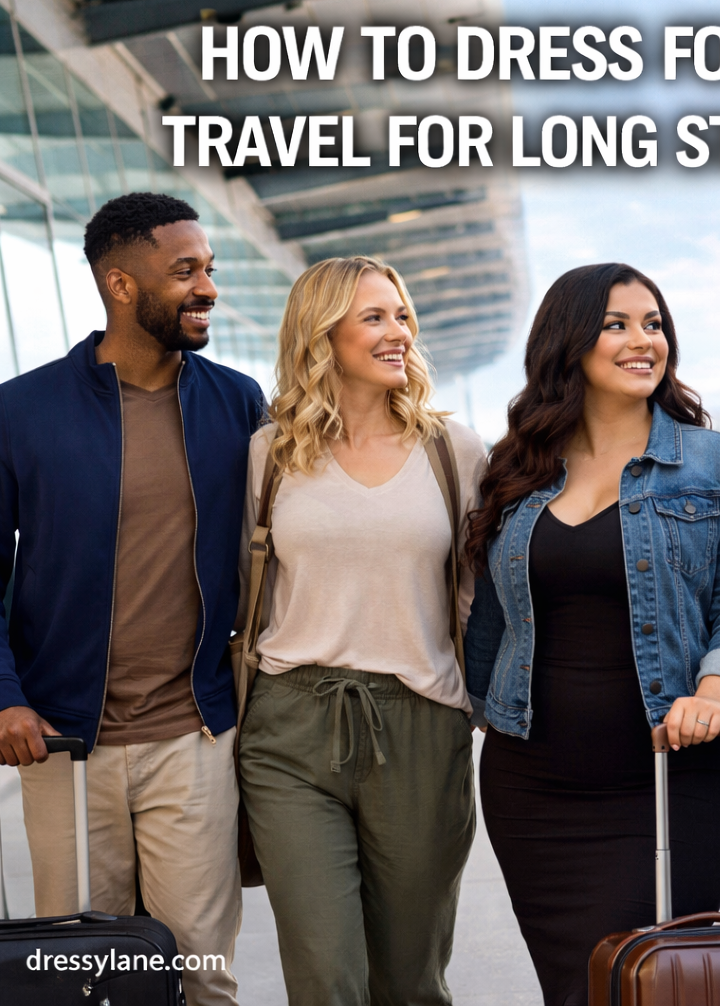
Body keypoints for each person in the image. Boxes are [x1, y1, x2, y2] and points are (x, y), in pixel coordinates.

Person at [463, 263, 720, 1006]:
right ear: (568, 343)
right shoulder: (518, 467)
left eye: (653, 324)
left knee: (643, 985)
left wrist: (715, 690)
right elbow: (491, 619)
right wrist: (475, 710)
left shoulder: (714, 462)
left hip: (670, 778)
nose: (644, 340)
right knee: (577, 989)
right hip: (531, 789)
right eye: (617, 325)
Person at [0, 193, 264, 1005]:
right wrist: (5, 697)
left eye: (209, 268)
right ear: (121, 284)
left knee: (203, 975)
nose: (207, 288)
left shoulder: (238, 402)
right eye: (185, 271)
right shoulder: (19, 412)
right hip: (63, 744)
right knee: (85, 979)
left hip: (193, 736)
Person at [237, 255, 485, 1006]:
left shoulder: (454, 450)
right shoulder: (271, 453)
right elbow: (250, 588)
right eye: (373, 317)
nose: (398, 332)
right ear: (322, 334)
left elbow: (480, 596)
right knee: (325, 974)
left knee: (410, 980)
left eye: (401, 315)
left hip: (420, 726)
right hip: (290, 727)